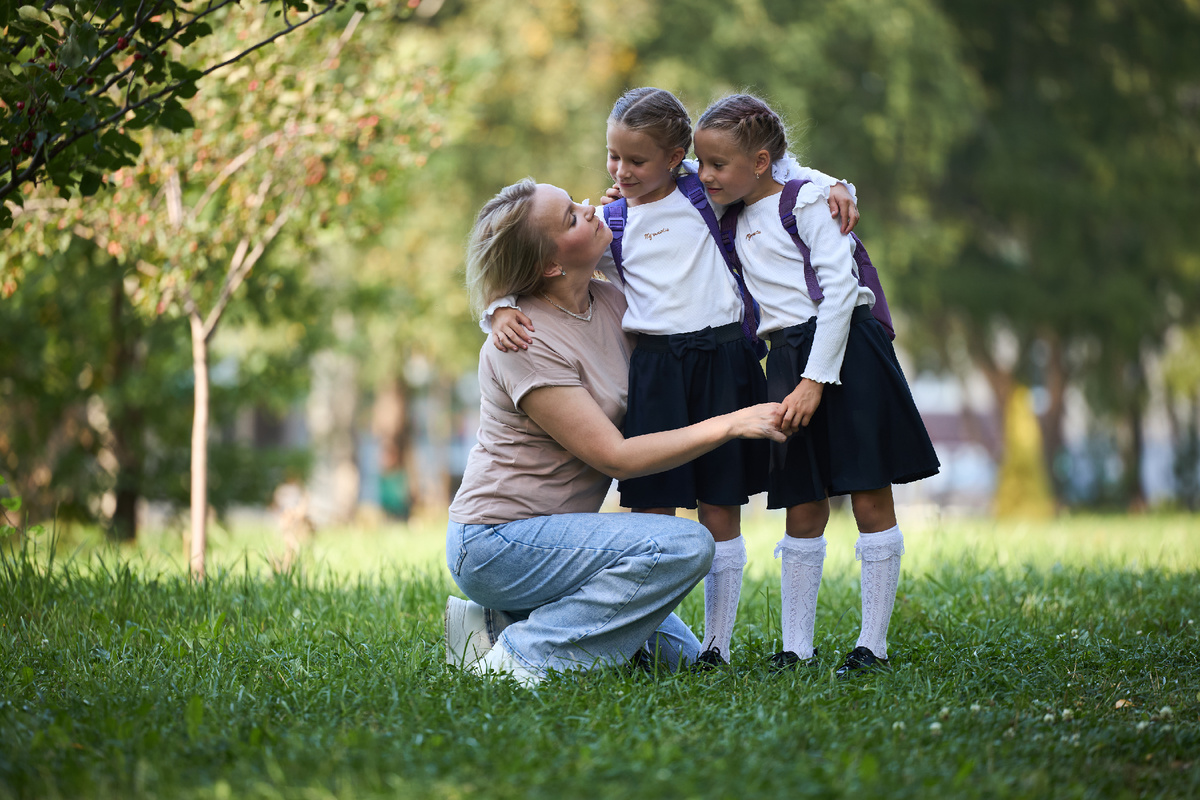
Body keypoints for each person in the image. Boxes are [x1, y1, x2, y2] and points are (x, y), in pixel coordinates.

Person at [486, 87, 859, 667]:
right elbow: (534, 259)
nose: (620, 170)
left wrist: (837, 184)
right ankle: (634, 635)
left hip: (724, 358)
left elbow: (769, 165)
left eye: (635, 160)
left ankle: (717, 647)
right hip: (656, 367)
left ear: (676, 155)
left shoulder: (706, 193)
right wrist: (500, 304)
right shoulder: (610, 223)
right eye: (613, 156)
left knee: (719, 509)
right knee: (654, 513)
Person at [445, 178, 786, 687]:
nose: (588, 208)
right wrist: (732, 424)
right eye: (569, 217)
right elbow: (616, 457)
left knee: (681, 660)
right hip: (498, 543)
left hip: (566, 546)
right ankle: (517, 659)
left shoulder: (610, 301)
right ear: (551, 265)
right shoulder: (521, 341)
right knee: (684, 546)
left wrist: (820, 193)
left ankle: (492, 623)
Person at [692, 93, 940, 678]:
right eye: (701, 164)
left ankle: (872, 645)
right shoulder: (728, 207)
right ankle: (796, 648)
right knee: (800, 503)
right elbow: (666, 172)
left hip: (845, 349)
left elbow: (837, 289)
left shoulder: (804, 201)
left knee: (869, 492)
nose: (705, 175)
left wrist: (813, 381)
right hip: (786, 356)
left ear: (759, 162)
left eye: (717, 165)